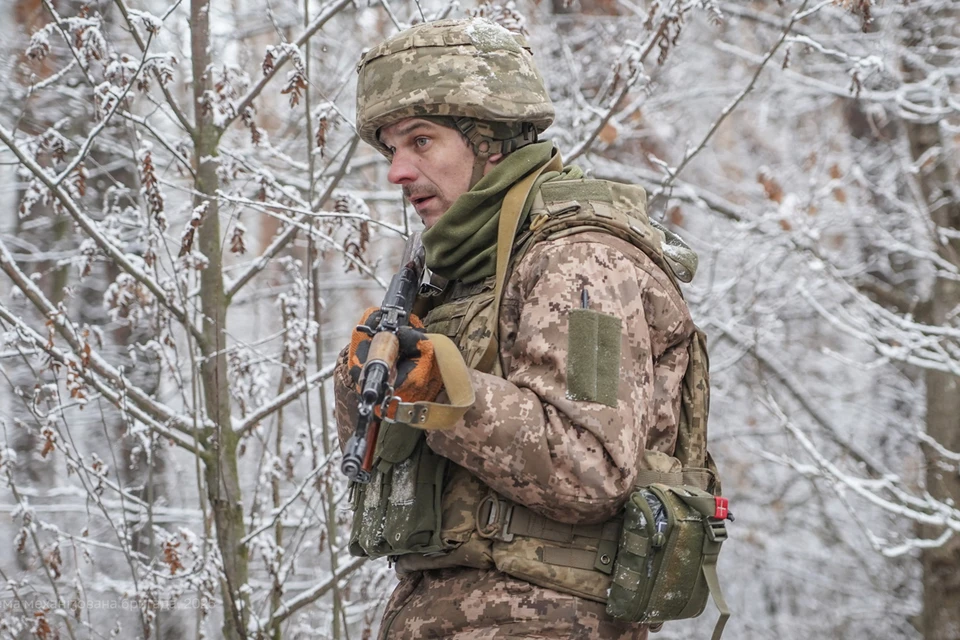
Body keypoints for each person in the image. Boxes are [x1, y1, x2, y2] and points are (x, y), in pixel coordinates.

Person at [334, 17, 708, 640]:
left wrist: (444, 392)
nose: (397, 171)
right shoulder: (451, 275)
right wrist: (364, 385)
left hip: (546, 620)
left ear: (491, 142)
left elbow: (590, 468)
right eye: (390, 149)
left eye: (420, 142)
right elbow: (375, 468)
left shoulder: (580, 258)